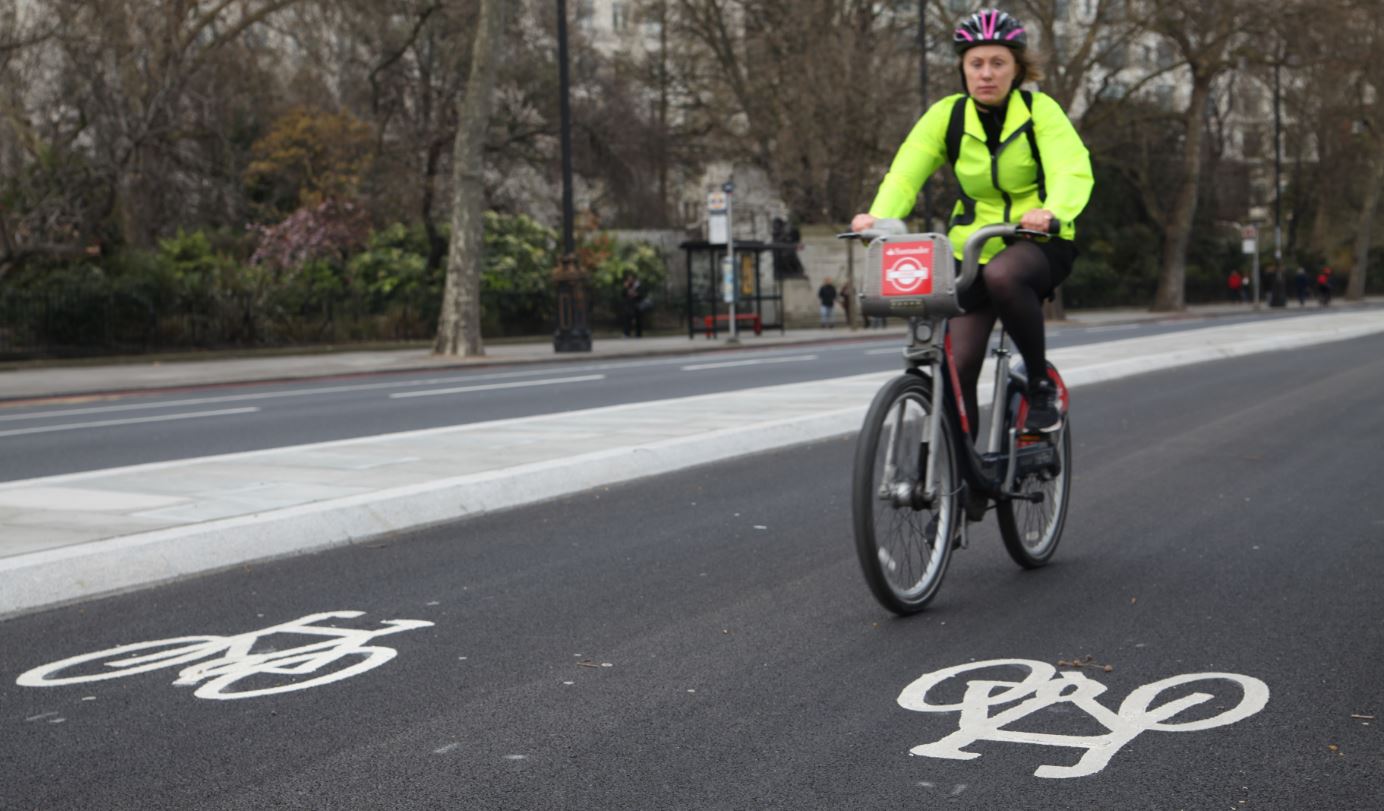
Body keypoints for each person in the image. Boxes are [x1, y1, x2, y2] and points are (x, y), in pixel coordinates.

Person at [851, 8, 1093, 434]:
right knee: (956, 368)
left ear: (1016, 69)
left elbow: (1071, 168)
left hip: (1040, 240)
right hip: (972, 248)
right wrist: (879, 216)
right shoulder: (948, 116)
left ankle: (1039, 385)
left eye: (997, 63)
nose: (986, 74)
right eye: (976, 63)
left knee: (1004, 275)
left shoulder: (1042, 112)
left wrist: (1052, 211)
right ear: (963, 68)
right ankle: (967, 485)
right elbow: (906, 172)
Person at [621, 272, 644, 338]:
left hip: (637, 304)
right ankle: (626, 333)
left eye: (631, 278)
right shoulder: (626, 285)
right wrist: (625, 288)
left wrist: (635, 294)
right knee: (627, 319)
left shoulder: (638, 285)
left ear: (634, 279)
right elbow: (622, 294)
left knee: (638, 319)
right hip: (628, 305)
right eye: (628, 278)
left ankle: (638, 334)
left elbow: (642, 294)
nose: (629, 279)